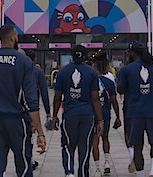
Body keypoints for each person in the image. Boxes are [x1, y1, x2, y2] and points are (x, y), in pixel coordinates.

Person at [0, 24, 46, 177]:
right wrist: (40, 132)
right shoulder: (24, 61)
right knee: (24, 166)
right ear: (13, 37)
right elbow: (30, 101)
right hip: (17, 122)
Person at [116, 41, 153, 177]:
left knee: (138, 146)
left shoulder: (126, 70)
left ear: (132, 53)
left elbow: (120, 89)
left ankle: (141, 174)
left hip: (134, 113)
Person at [52, 45, 103, 177]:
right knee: (85, 145)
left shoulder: (62, 72)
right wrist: (100, 120)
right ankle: (83, 173)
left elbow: (57, 97)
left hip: (70, 114)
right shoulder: (92, 73)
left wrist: (54, 116)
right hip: (87, 114)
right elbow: (95, 98)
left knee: (68, 145)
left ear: (72, 56)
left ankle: (69, 172)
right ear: (85, 56)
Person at [92, 54, 121, 175]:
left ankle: (97, 168)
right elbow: (114, 100)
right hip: (105, 113)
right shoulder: (109, 82)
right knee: (105, 138)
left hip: (93, 113)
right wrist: (118, 116)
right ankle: (107, 162)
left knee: (95, 140)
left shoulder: (91, 81)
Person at [26, 49, 52, 170]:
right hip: (32, 107)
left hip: (17, 108)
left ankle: (26, 158)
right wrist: (48, 112)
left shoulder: (18, 70)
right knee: (31, 132)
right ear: (35, 59)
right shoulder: (38, 72)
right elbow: (44, 93)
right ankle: (29, 159)